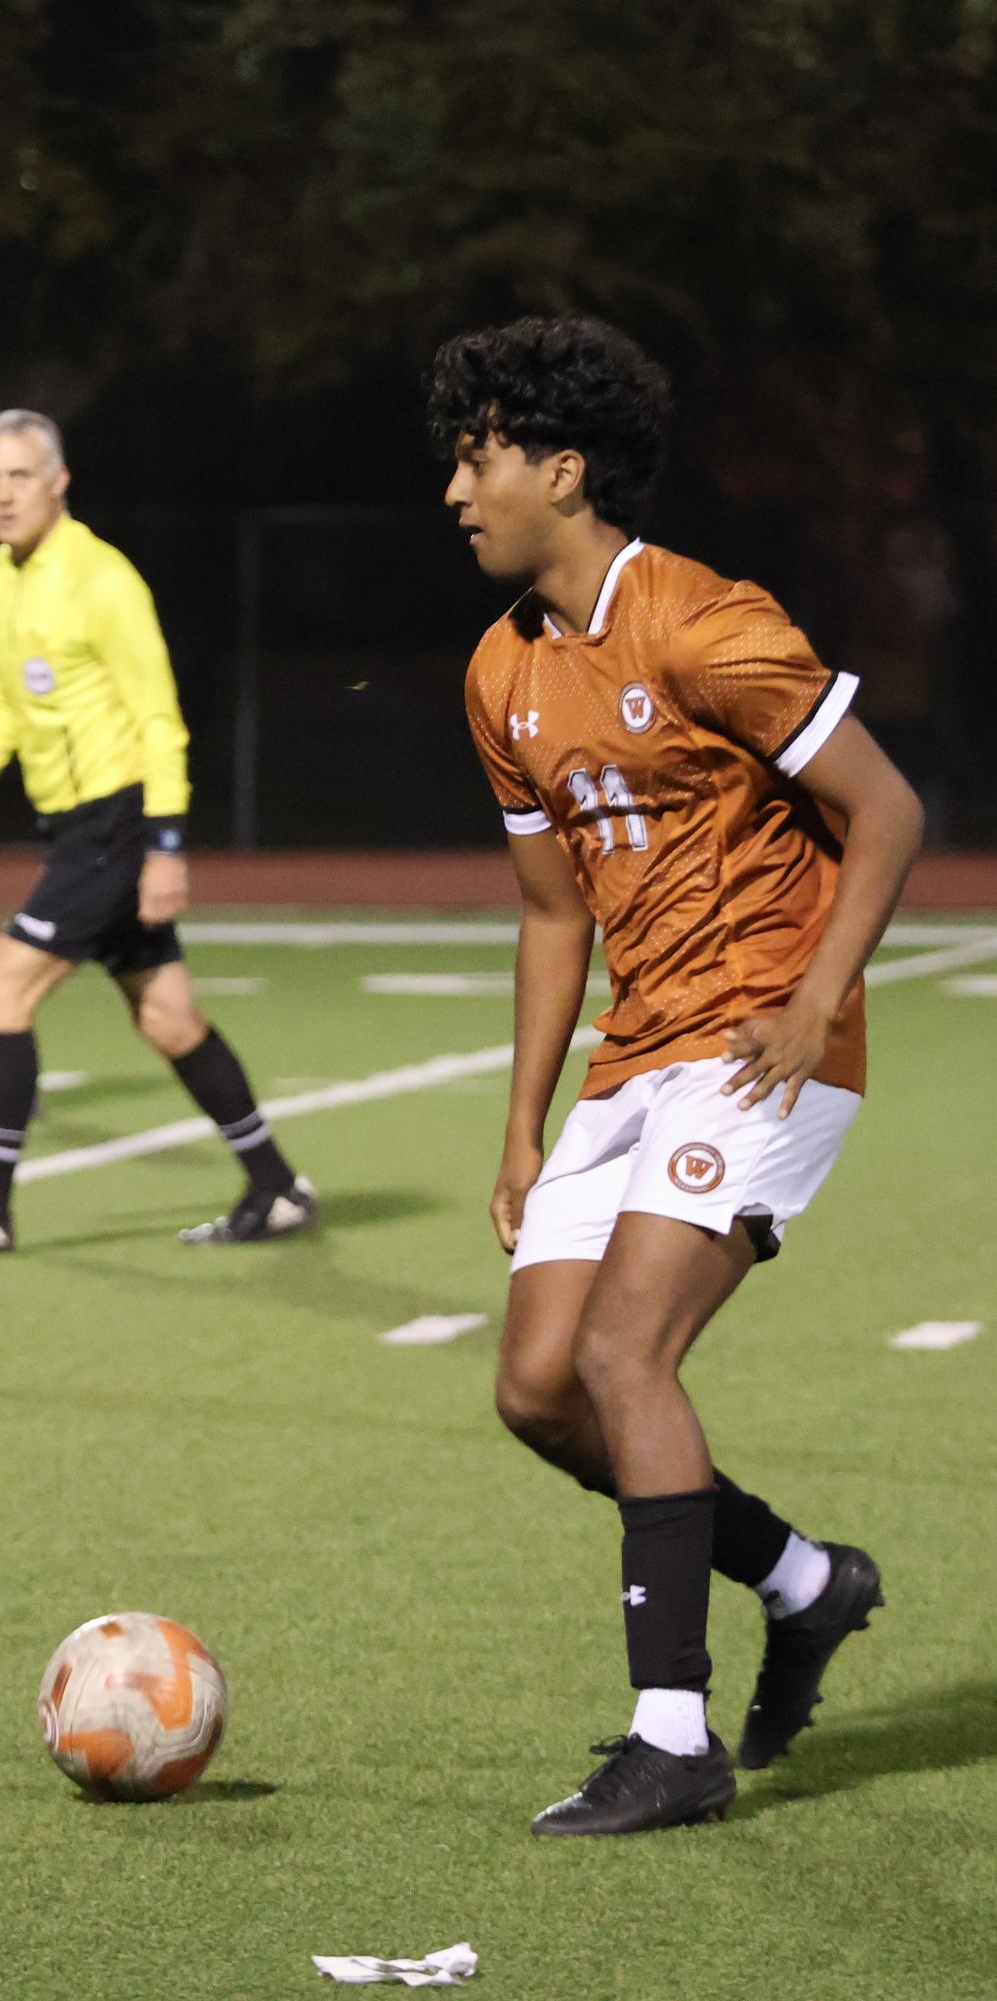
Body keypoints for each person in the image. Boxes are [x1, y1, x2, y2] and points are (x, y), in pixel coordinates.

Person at [430, 316, 924, 1837]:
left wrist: (817, 995)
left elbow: (887, 808)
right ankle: (800, 1579)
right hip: (636, 1058)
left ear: (561, 470)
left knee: (623, 1353)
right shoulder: (499, 672)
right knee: (535, 1390)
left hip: (767, 1045)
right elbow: (548, 911)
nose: (455, 489)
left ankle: (673, 1739)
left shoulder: (704, 624)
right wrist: (519, 1128)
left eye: (478, 455)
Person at [0, 409, 316, 1253]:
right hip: (77, 827)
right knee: (167, 1017)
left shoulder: (103, 579)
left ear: (59, 482)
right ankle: (275, 1185)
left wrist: (164, 845)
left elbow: (161, 718)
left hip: (117, 827)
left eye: (20, 476)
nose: (4, 495)